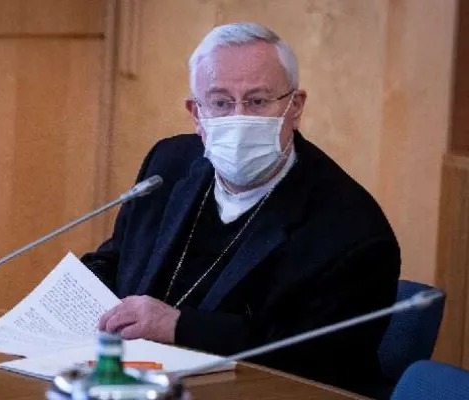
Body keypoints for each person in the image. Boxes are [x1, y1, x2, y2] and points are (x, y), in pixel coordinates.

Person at [81, 22, 400, 395]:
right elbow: (117, 259)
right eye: (220, 102)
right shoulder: (168, 166)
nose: (238, 117)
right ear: (196, 113)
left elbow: (317, 360)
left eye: (258, 101)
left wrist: (179, 326)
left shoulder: (351, 230)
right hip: (132, 381)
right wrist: (76, 294)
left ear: (295, 107)